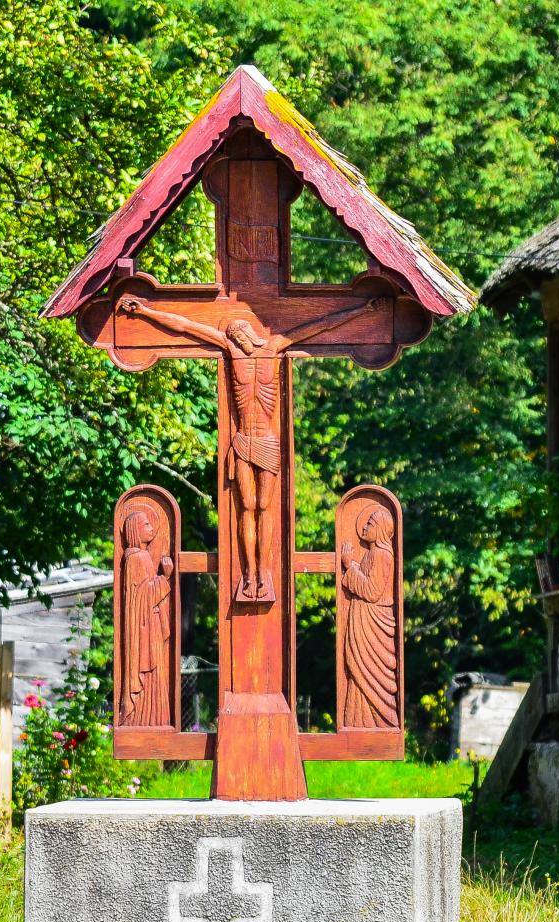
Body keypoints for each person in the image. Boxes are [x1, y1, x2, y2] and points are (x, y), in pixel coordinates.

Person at [118, 294, 385, 602]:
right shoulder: (231, 352)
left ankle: (265, 571)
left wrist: (362, 308)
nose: (239, 338)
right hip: (243, 440)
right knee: (246, 505)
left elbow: (318, 327)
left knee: (263, 507)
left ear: (251, 333)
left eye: (241, 333)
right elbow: (185, 326)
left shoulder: (274, 348)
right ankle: (250, 573)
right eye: (234, 335)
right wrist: (146, 311)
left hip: (268, 442)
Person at [339, 504, 398, 729]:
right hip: (364, 621)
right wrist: (353, 565)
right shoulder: (375, 554)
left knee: (369, 675)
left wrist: (347, 566)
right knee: (358, 671)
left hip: (372, 623)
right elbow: (366, 579)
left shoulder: (382, 555)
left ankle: (376, 722)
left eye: (370, 524)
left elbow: (371, 591)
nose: (365, 527)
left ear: (381, 530)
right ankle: (358, 720)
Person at [120, 507, 175, 726]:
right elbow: (142, 596)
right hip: (144, 628)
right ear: (135, 530)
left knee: (156, 674)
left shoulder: (138, 557)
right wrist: (165, 578)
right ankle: (146, 718)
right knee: (151, 674)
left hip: (149, 625)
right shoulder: (137, 558)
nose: (151, 529)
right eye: (146, 525)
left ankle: (153, 717)